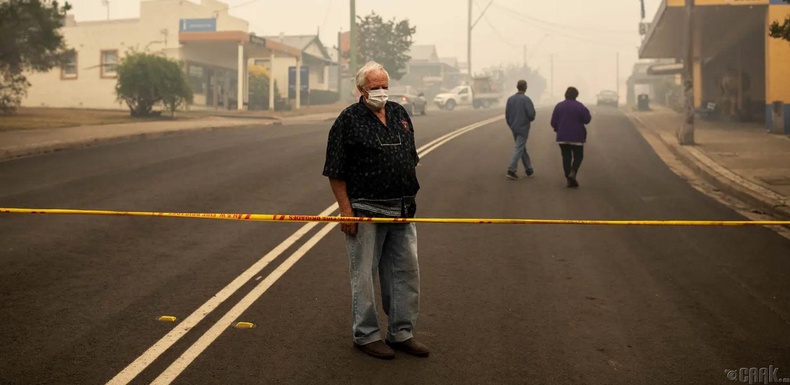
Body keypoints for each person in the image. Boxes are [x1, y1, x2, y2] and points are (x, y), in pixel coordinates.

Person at [322, 61, 429, 360]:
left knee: (405, 273)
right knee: (364, 275)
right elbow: (335, 170)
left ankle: (401, 332)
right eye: (374, 88)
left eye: (385, 86)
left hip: (403, 209)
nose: (381, 92)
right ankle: (366, 335)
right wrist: (346, 211)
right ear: (360, 90)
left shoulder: (399, 113)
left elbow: (410, 155)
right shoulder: (348, 120)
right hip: (366, 209)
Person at [550, 87, 592, 188]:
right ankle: (573, 172)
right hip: (577, 136)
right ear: (576, 95)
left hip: (562, 136)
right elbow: (587, 119)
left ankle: (568, 178)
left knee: (566, 156)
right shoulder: (580, 106)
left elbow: (553, 122)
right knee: (578, 156)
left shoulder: (559, 106)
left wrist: (558, 128)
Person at [504, 80, 537, 180]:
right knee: (519, 148)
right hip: (523, 127)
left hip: (513, 127)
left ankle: (529, 169)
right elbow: (531, 115)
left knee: (521, 147)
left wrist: (511, 124)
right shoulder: (526, 100)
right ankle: (511, 170)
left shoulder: (510, 99)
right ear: (525, 87)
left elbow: (507, 115)